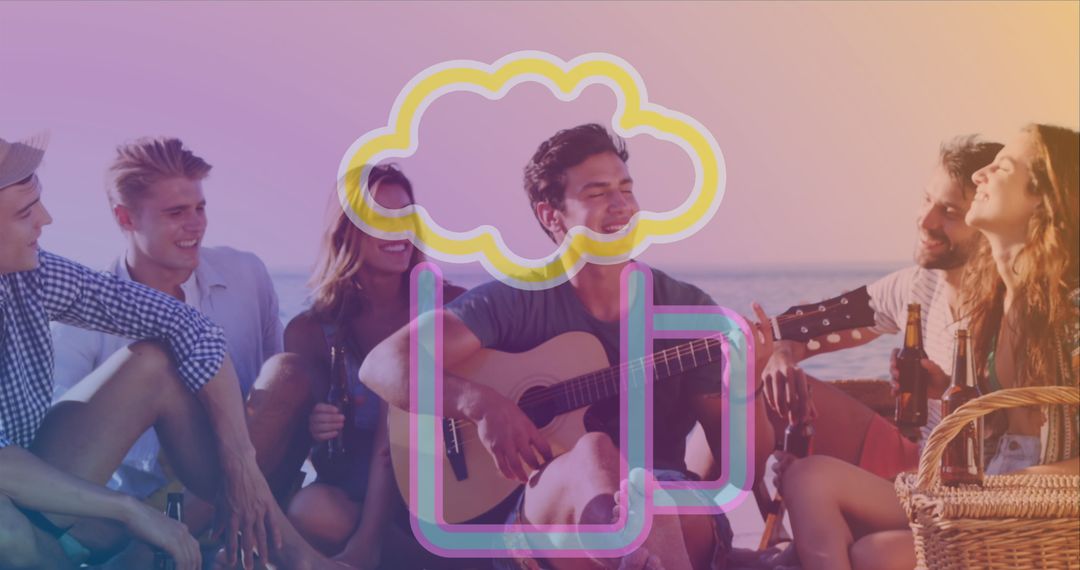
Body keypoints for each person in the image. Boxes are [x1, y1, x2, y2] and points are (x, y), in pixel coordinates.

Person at [361, 124, 771, 570]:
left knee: (649, 499)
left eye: (626, 189)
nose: (622, 206)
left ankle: (624, 547)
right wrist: (481, 405)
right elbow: (383, 364)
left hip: (668, 497)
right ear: (551, 215)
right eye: (597, 194)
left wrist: (745, 387)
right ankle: (623, 543)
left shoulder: (686, 309)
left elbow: (745, 465)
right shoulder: (518, 301)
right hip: (546, 520)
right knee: (592, 451)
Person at [0, 133, 346, 570]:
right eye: (26, 212)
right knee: (5, 529)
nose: (46, 220)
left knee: (155, 361)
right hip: (29, 499)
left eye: (199, 208)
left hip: (67, 485)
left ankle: (282, 549)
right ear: (125, 218)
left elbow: (191, 329)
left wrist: (243, 465)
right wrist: (129, 511)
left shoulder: (32, 273)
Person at [779, 124, 1080, 570]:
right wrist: (949, 391)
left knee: (870, 555)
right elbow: (809, 321)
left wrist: (1002, 490)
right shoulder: (994, 299)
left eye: (1001, 167)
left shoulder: (1070, 313)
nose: (982, 175)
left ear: (1043, 198)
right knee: (806, 478)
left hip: (1035, 522)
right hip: (977, 493)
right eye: (927, 201)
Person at [49, 137, 283, 567]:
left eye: (200, 208)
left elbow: (275, 396)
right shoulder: (77, 319)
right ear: (125, 217)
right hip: (134, 515)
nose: (196, 225)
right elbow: (65, 451)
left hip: (244, 485)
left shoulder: (247, 277)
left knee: (284, 374)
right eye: (177, 213)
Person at [740, 135, 1002, 481]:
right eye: (927, 199)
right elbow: (816, 324)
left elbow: (1017, 428)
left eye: (950, 212)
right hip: (918, 462)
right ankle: (714, 526)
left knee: (808, 480)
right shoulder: (918, 285)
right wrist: (779, 355)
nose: (926, 220)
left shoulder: (1012, 305)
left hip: (974, 488)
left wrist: (947, 385)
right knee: (739, 385)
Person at [244, 165, 464, 569]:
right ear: (347, 231)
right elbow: (323, 461)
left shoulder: (449, 308)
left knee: (398, 383)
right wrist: (316, 427)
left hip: (437, 496)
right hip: (356, 499)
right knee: (310, 508)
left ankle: (375, 550)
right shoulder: (312, 331)